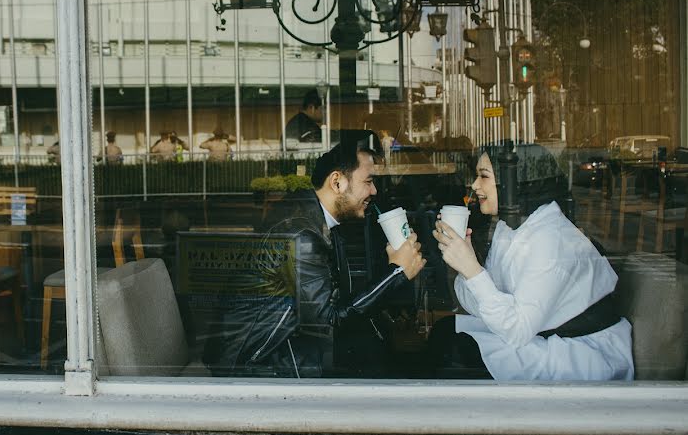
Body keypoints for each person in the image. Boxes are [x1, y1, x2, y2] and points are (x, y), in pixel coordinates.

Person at [207, 138, 426, 378]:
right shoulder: (302, 235)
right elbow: (328, 321)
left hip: (281, 344)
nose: (374, 191)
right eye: (369, 181)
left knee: (375, 353)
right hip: (254, 360)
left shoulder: (313, 217)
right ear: (337, 182)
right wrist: (397, 272)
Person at [429, 142, 634, 381]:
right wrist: (465, 267)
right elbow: (480, 308)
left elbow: (517, 331)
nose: (474, 186)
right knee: (444, 332)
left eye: (483, 176)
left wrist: (472, 270)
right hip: (538, 334)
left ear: (514, 181)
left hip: (581, 350)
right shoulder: (510, 226)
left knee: (458, 356)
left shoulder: (550, 238)